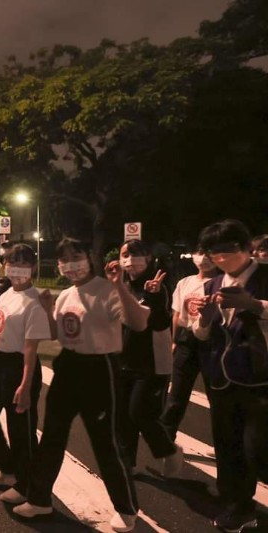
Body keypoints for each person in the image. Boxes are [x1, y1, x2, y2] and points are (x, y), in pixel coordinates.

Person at [12, 237, 149, 533]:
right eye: (64, 260)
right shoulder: (66, 295)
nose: (70, 264)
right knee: (52, 436)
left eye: (76, 256)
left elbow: (138, 323)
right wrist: (48, 308)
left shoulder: (107, 288)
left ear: (90, 256)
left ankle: (126, 508)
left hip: (100, 369)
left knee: (106, 442)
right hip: (68, 367)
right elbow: (55, 335)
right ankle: (39, 499)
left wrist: (119, 285)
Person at [192, 220, 268, 533]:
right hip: (221, 379)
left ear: (246, 247)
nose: (221, 258)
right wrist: (204, 319)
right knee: (227, 446)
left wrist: (256, 305)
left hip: (260, 379)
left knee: (258, 449)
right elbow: (200, 333)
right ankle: (238, 506)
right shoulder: (211, 284)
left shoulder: (265, 276)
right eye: (214, 252)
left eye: (228, 250)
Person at [0, 244, 54, 505]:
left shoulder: (35, 301)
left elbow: (31, 348)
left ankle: (26, 484)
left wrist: (26, 385)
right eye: (12, 263)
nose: (16, 269)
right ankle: (8, 467)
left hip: (20, 365)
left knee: (21, 430)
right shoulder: (6, 292)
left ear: (32, 268)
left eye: (23, 264)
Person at [116, 240, 184, 476]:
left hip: (151, 362)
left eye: (136, 255)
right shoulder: (121, 286)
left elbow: (160, 323)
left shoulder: (157, 287)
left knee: (141, 413)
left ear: (147, 259)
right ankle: (128, 463)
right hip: (122, 360)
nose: (130, 260)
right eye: (125, 254)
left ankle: (169, 449)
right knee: (122, 415)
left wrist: (153, 297)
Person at [159, 246, 218, 442]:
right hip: (186, 340)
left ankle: (224, 447)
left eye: (209, 254)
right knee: (176, 396)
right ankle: (165, 444)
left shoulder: (221, 283)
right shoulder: (185, 283)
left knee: (217, 399)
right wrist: (174, 342)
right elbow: (176, 316)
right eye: (201, 252)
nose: (204, 258)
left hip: (213, 343)